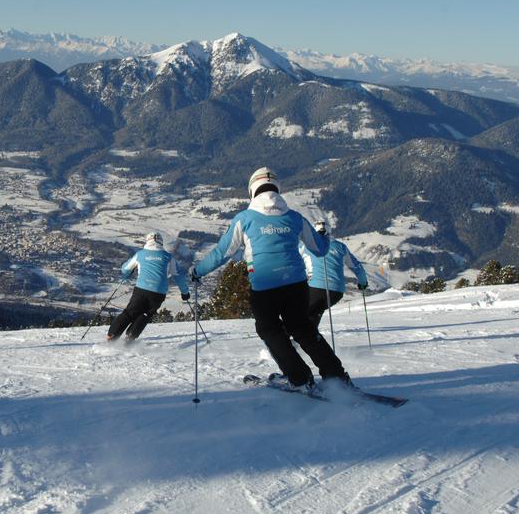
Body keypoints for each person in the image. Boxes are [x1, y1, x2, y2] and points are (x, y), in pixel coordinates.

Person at [191, 167, 352, 391]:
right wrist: (324, 237)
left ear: (252, 191)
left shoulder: (244, 219)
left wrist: (197, 271)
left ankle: (299, 378)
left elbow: (222, 253)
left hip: (265, 288)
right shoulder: (295, 218)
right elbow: (320, 250)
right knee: (303, 328)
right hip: (297, 285)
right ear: (278, 189)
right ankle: (336, 376)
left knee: (270, 330)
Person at [106, 232, 190, 342]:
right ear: (161, 242)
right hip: (159, 292)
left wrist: (129, 271)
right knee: (145, 314)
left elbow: (125, 269)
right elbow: (179, 276)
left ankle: (112, 336)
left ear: (147, 241)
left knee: (130, 312)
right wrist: (185, 293)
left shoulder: (140, 254)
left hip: (141, 289)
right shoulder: (169, 257)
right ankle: (130, 337)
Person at [299, 222, 369, 334]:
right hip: (336, 292)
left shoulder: (305, 246)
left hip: (315, 289)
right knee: (314, 313)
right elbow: (356, 266)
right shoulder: (341, 247)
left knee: (298, 315)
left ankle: (286, 343)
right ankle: (309, 341)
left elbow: (290, 260)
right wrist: (362, 282)